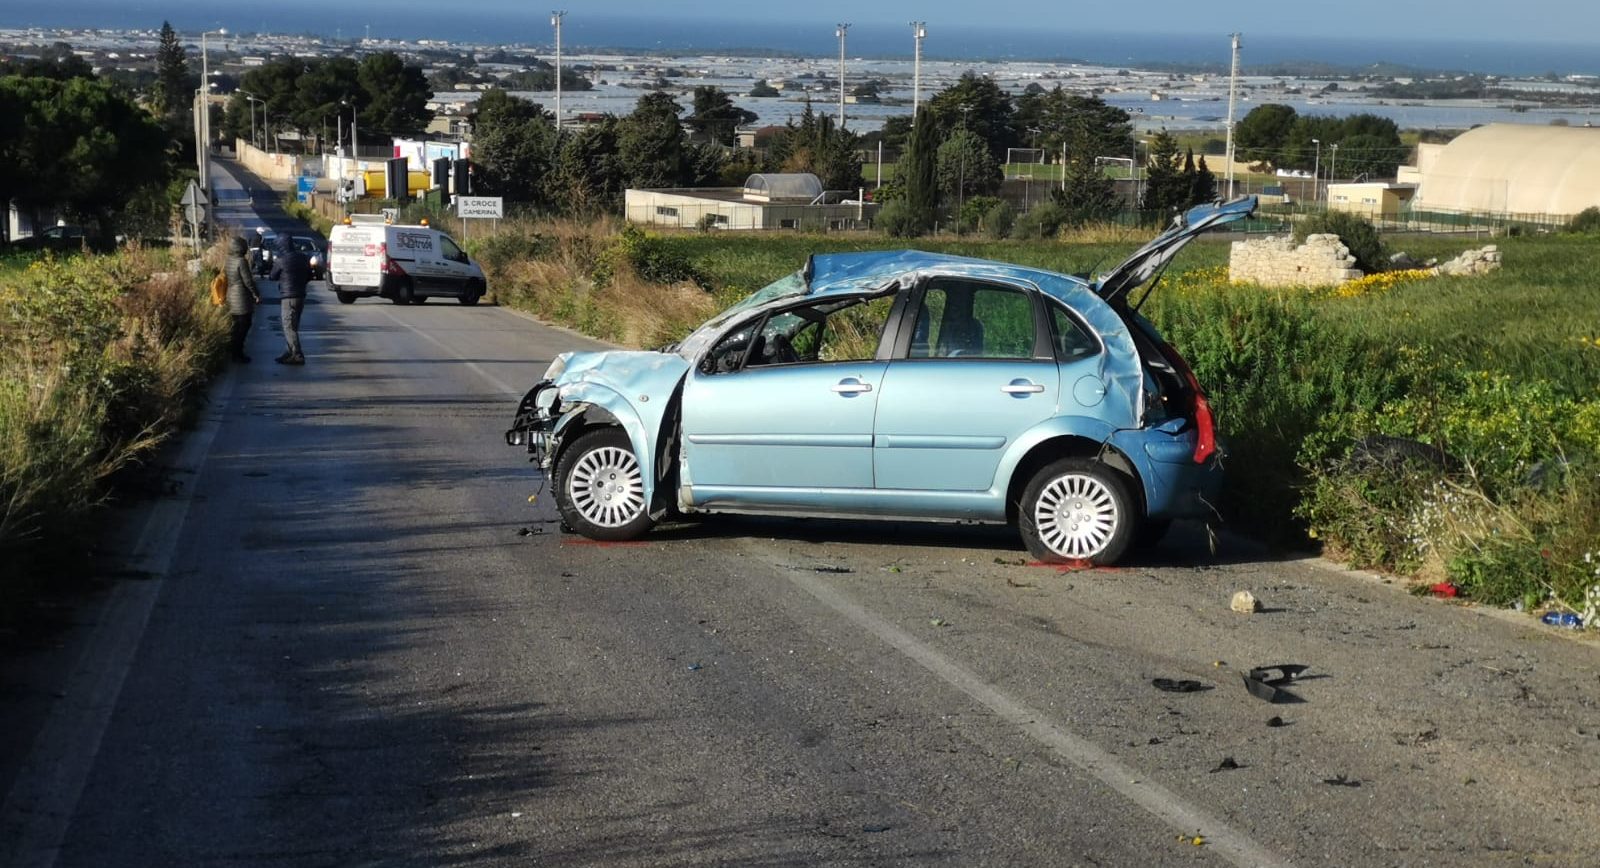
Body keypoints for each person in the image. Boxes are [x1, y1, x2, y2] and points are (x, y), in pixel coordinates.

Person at [268, 234, 311, 365]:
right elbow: (310, 275)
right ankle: (289, 352)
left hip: (288, 296)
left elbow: (272, 276)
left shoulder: (281, 260)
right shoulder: (303, 257)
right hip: (301, 296)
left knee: (288, 326)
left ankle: (297, 354)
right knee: (294, 325)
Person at [224, 236, 260, 363]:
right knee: (244, 325)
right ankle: (238, 352)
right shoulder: (241, 261)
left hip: (231, 296)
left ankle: (234, 351)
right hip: (241, 297)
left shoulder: (228, 260)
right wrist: (256, 294)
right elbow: (248, 281)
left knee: (236, 326)